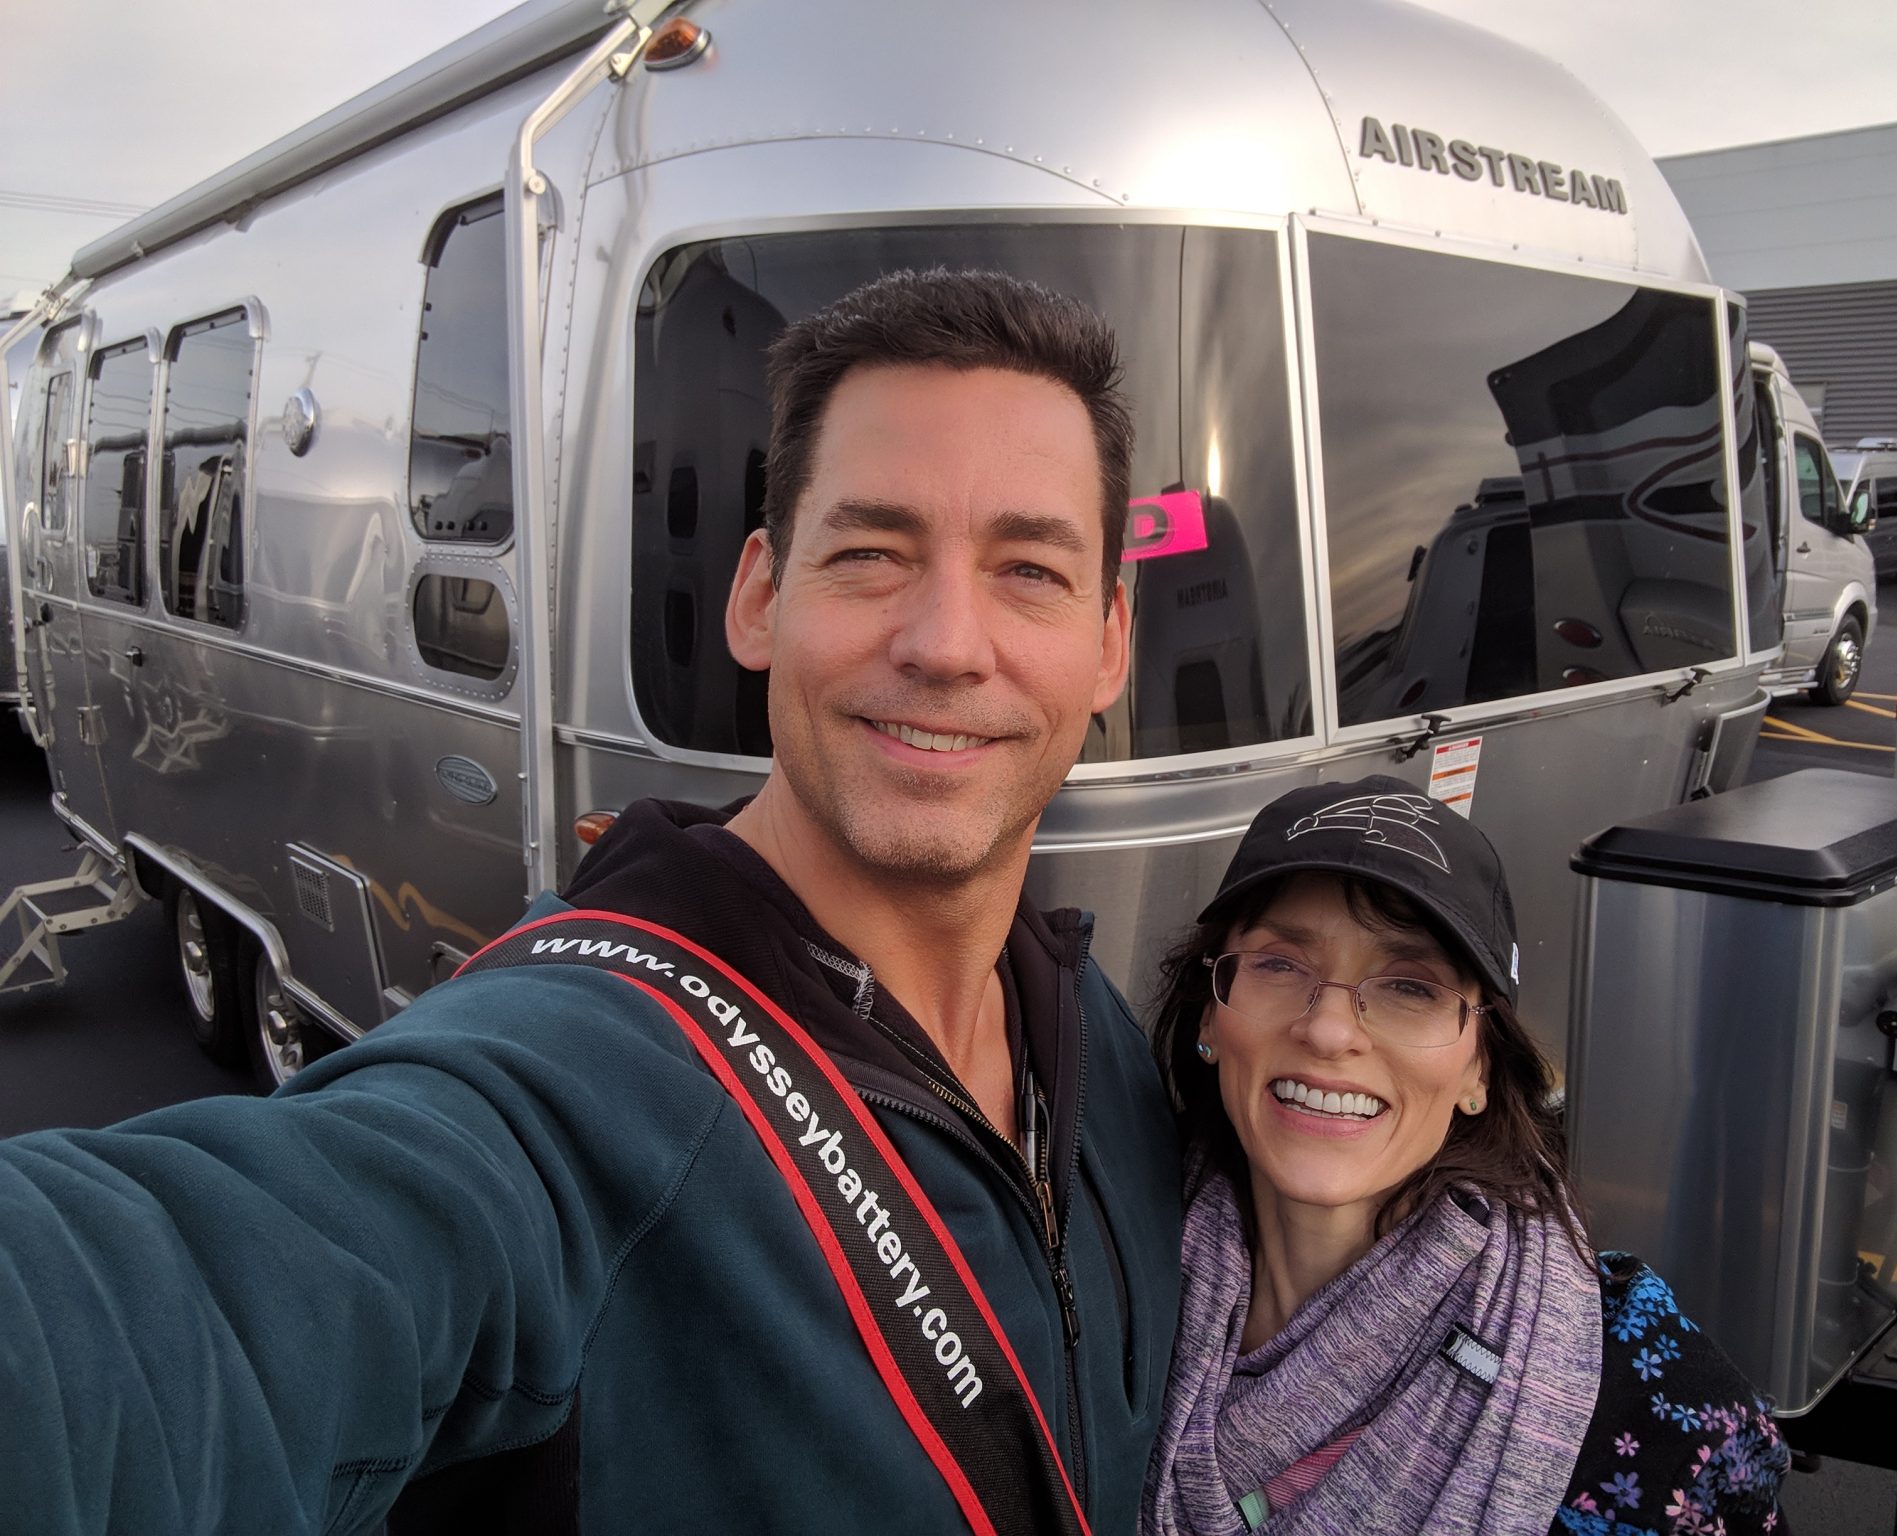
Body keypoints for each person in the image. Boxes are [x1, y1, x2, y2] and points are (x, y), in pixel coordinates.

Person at [0, 269, 1182, 1534]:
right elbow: (175, 1313)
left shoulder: (1093, 1033)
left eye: (1028, 571)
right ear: (758, 598)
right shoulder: (574, 1084)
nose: (946, 642)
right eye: (870, 555)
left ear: (1108, 640)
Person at [1142, 776, 1790, 1536]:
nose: (1329, 1031)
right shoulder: (1103, 1270)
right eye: (1281, 965)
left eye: (1410, 987)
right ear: (1210, 1018)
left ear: (1479, 1067)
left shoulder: (1662, 1418)